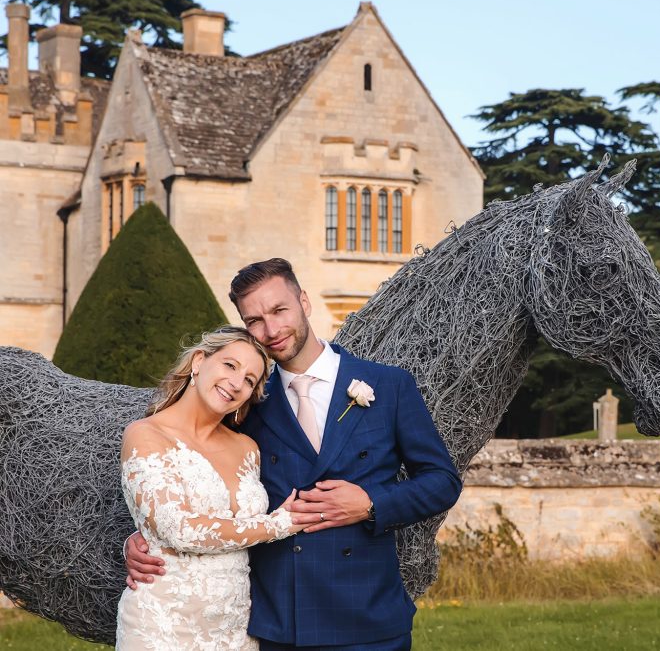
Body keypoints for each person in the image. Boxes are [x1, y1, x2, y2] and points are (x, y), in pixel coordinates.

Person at [125, 258, 462, 650]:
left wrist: (371, 503)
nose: (270, 330)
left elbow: (442, 481)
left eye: (279, 310)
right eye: (254, 320)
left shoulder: (389, 385)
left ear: (304, 300)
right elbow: (199, 473)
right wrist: (147, 532)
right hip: (282, 622)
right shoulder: (245, 404)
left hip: (369, 615)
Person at [117, 326, 304, 650]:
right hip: (164, 623)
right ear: (199, 361)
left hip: (236, 627)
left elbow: (234, 529)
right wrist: (280, 524)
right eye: (230, 365)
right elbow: (178, 528)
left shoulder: (248, 447)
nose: (236, 383)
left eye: (249, 380)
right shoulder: (146, 435)